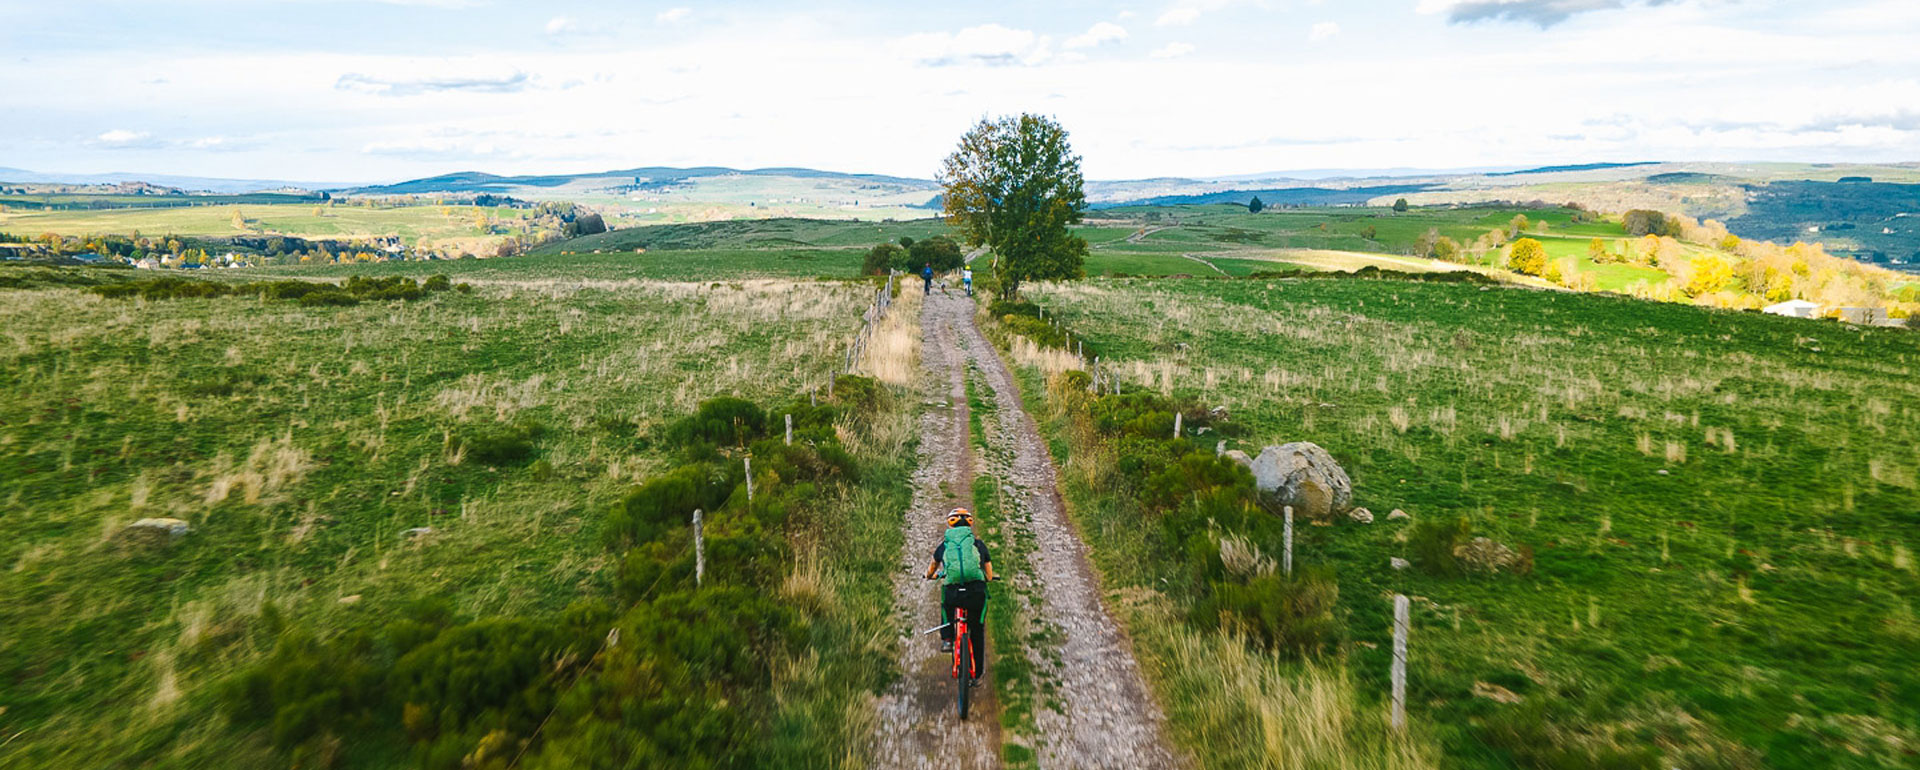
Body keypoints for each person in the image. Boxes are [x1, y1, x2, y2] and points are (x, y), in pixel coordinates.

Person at [924, 508, 995, 664]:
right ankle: (977, 672)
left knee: (946, 607)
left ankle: (947, 639)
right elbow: (989, 575)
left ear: (950, 524)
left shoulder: (944, 545)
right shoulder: (978, 544)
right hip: (976, 593)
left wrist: (929, 576)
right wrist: (986, 577)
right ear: (969, 524)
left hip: (953, 593)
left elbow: (933, 566)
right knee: (977, 631)